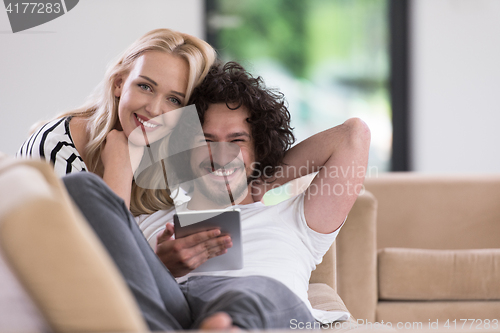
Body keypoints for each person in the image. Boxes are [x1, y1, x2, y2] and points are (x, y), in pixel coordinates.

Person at [132, 61, 371, 328]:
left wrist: (265, 181)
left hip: (269, 313)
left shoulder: (297, 219)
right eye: (207, 141)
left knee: (253, 293)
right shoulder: (149, 220)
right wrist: (159, 267)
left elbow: (353, 135)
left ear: (259, 149)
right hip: (182, 313)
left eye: (237, 141)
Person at [16, 29, 233, 277]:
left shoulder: (173, 147)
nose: (153, 109)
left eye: (174, 100)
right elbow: (87, 270)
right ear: (120, 83)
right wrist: (119, 170)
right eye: (145, 87)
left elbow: (248, 190)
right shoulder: (56, 148)